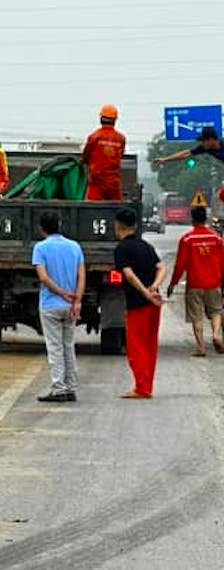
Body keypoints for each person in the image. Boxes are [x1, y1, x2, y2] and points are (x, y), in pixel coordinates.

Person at [32, 212, 86, 403]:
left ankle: (58, 388)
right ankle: (71, 387)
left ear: (41, 228)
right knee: (68, 346)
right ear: (60, 225)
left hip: (50, 304)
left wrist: (61, 292)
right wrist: (76, 300)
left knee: (55, 348)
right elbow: (81, 275)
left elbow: (43, 277)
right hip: (71, 305)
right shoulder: (74, 246)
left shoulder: (40, 248)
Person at [113, 209, 165, 399]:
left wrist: (145, 293)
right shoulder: (146, 246)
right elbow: (161, 267)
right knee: (150, 345)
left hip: (138, 304)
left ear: (118, 226)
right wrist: (154, 288)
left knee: (136, 346)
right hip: (153, 303)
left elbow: (129, 275)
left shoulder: (122, 249)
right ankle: (146, 385)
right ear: (135, 226)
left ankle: (141, 388)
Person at [167, 206, 224, 357]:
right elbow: (222, 263)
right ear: (206, 219)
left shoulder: (187, 239)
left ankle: (201, 348)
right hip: (214, 283)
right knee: (216, 311)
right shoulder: (216, 239)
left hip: (194, 284)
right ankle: (217, 335)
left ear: (192, 219)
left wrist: (173, 284)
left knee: (196, 315)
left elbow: (180, 265)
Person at [81, 104, 126, 201]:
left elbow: (85, 156)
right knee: (116, 210)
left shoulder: (94, 136)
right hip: (113, 183)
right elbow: (120, 155)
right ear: (115, 120)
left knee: (91, 209)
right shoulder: (121, 138)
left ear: (101, 118)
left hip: (96, 181)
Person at [154, 126, 224, 167]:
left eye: (203, 141)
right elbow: (186, 154)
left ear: (211, 139)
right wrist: (165, 159)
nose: (202, 143)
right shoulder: (205, 148)